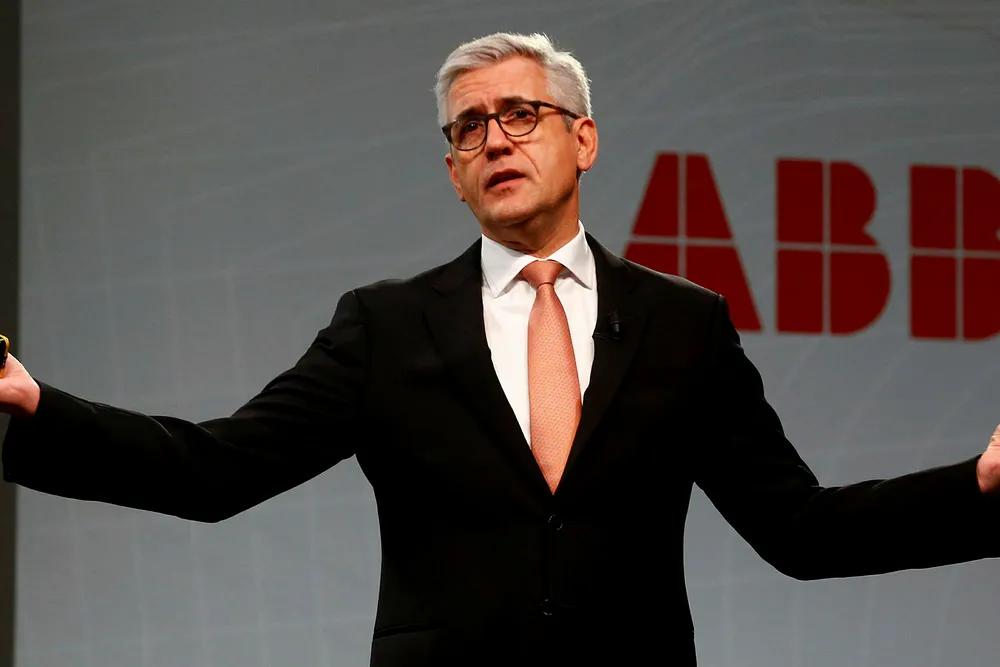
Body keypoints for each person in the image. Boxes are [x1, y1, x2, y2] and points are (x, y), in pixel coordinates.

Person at [1, 32, 998, 667]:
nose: (494, 138)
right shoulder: (386, 326)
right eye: (468, 127)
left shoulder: (684, 324)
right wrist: (35, 403)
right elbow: (217, 468)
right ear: (452, 170)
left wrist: (982, 485)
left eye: (521, 113)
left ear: (584, 140)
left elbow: (801, 529)